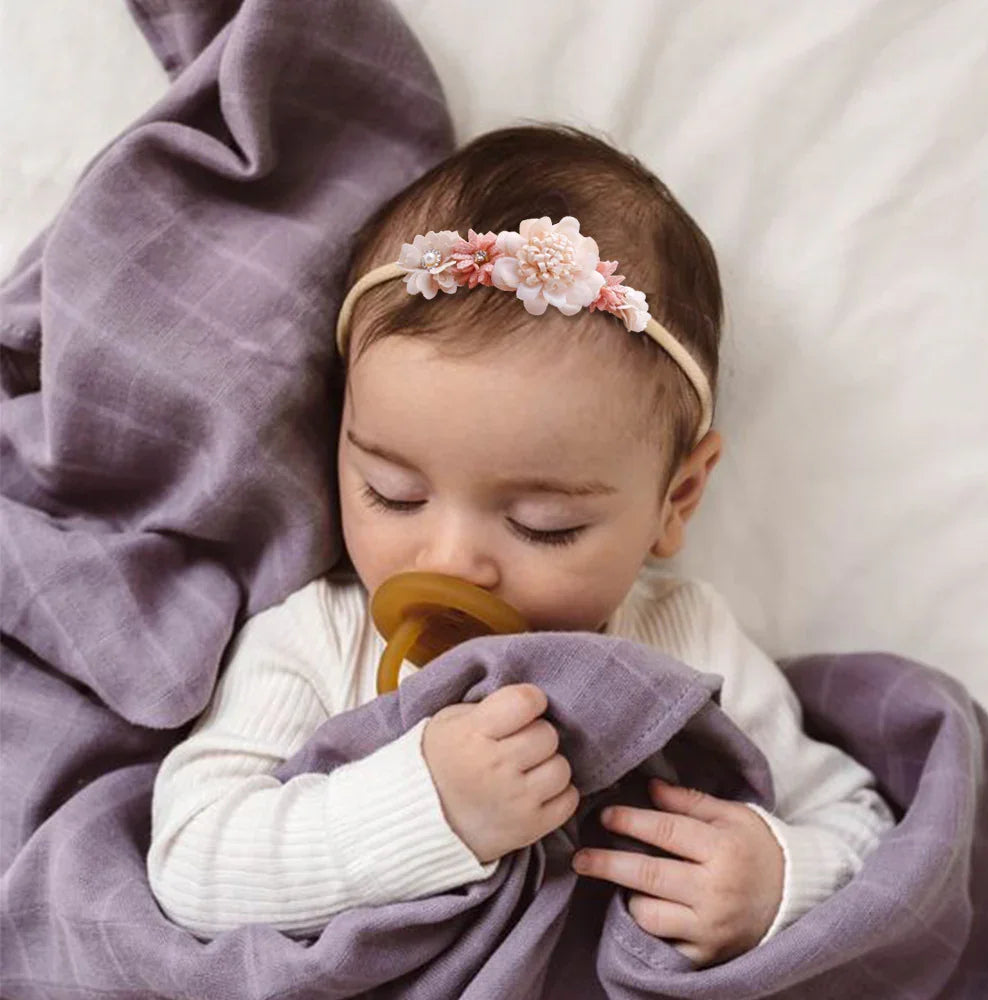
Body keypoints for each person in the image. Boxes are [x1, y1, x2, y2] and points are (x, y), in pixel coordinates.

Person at [147, 125, 894, 967]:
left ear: (676, 499)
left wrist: (777, 882)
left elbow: (861, 825)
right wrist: (425, 810)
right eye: (392, 493)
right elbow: (190, 862)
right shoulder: (319, 640)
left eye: (545, 523)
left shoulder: (688, 642)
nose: (449, 561)